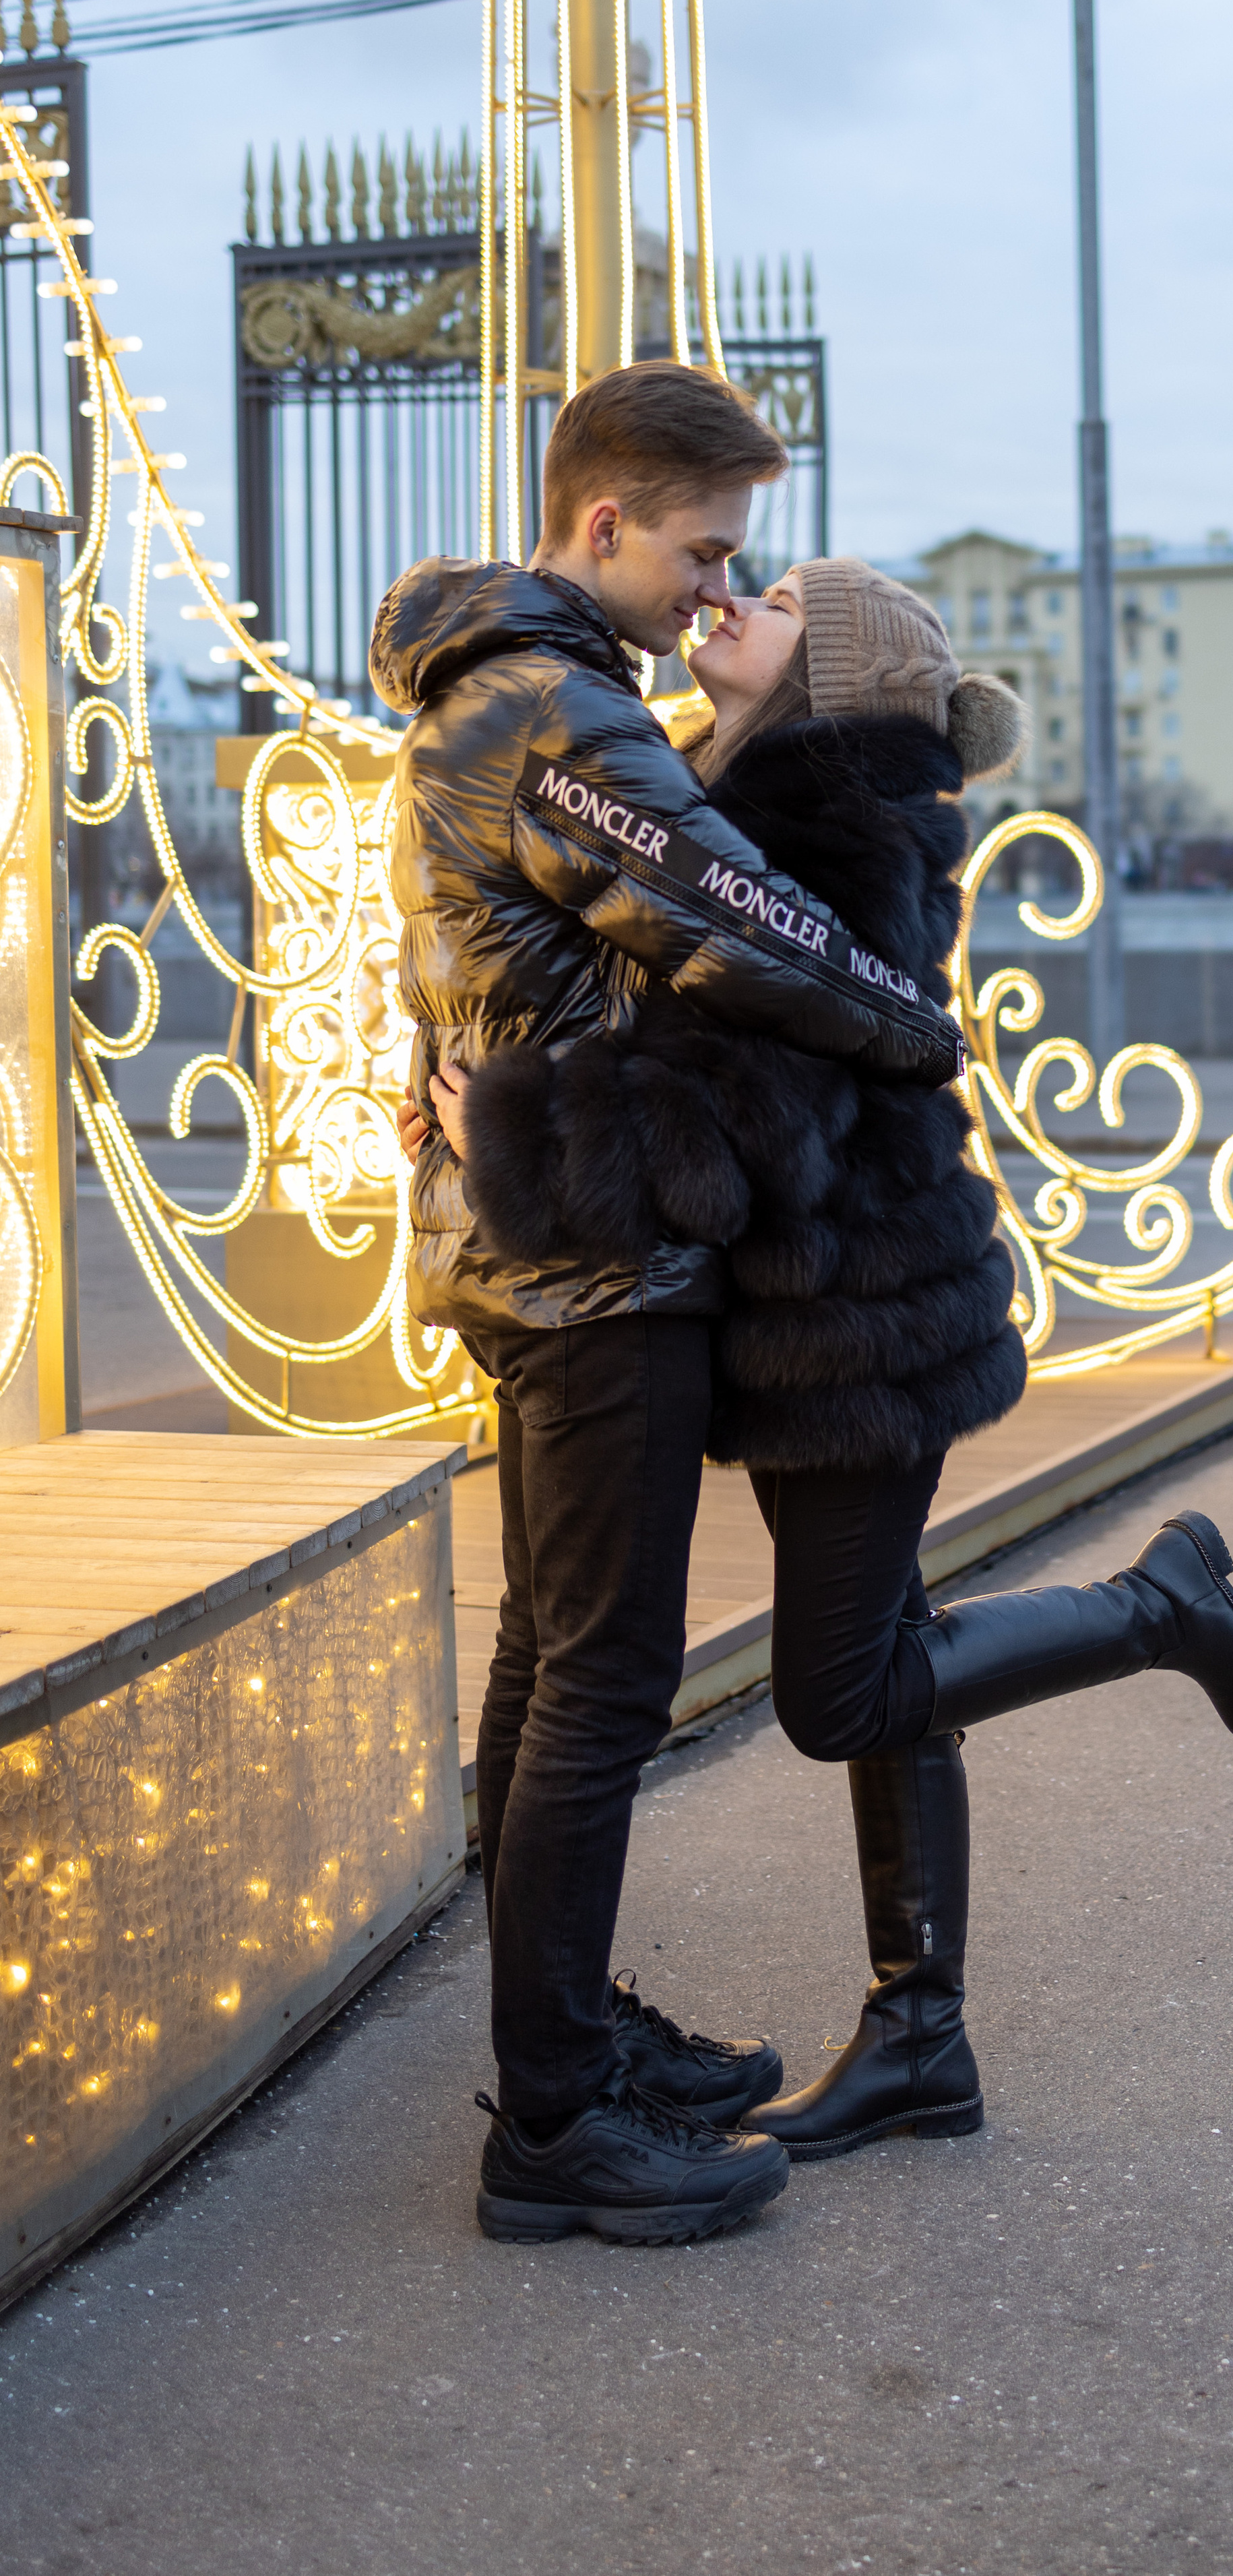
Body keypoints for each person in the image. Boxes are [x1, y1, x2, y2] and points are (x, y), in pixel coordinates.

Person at [436, 557, 1233, 2183]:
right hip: (816, 1312)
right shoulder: (729, 786)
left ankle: (1159, 1606)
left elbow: (747, 1101)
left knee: (848, 1691)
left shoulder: (837, 818)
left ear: (830, 671)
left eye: (764, 600)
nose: (722, 601)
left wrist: (515, 1124)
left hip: (867, 1315)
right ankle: (918, 2039)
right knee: (880, 1646)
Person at [375, 363, 963, 2251]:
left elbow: (534, 955)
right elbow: (732, 917)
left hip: (548, 1231)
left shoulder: (527, 699)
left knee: (557, 1661)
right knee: (600, 1685)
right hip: (592, 1262)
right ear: (605, 523)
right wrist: (917, 1026)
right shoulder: (555, 711)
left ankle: (568, 2040)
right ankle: (552, 2120)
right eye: (706, 551)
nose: (722, 591)